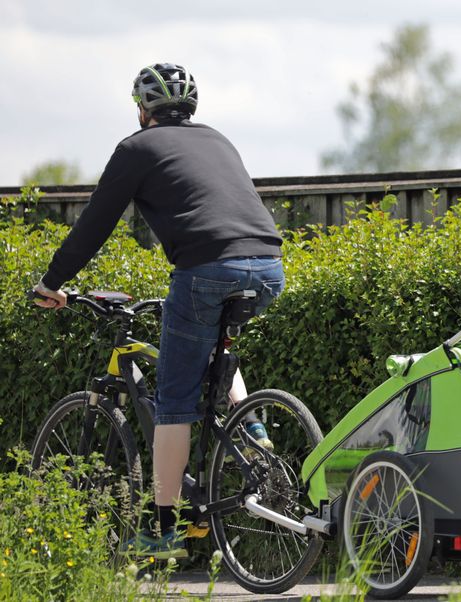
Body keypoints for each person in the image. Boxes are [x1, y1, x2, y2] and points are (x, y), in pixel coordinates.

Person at [33, 63, 284, 558]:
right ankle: (252, 428)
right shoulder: (218, 139)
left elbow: (94, 226)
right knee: (218, 343)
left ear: (142, 109)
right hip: (270, 267)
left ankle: (163, 525)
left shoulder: (135, 148)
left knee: (173, 402)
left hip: (206, 270)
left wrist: (52, 282)